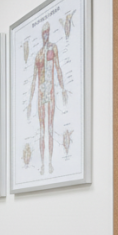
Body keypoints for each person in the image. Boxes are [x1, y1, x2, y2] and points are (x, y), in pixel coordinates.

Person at [27, 22, 69, 174]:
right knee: (42, 129)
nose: (45, 35)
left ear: (49, 32)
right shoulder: (38, 55)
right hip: (40, 95)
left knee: (50, 128)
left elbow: (58, 68)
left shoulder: (53, 48)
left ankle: (50, 162)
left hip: (50, 92)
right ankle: (43, 165)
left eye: (47, 32)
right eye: (43, 32)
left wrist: (63, 89)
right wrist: (30, 102)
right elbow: (33, 79)